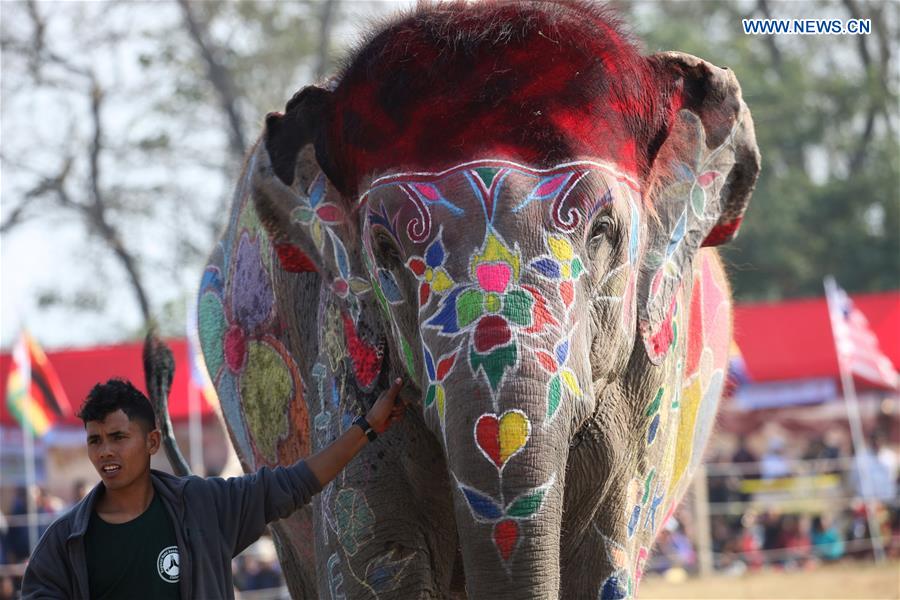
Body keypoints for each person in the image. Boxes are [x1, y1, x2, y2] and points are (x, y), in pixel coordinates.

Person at [21, 377, 406, 599]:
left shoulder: (204, 506)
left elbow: (294, 483)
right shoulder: (64, 542)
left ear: (153, 442)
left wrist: (368, 426)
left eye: (118, 437)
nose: (106, 451)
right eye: (95, 441)